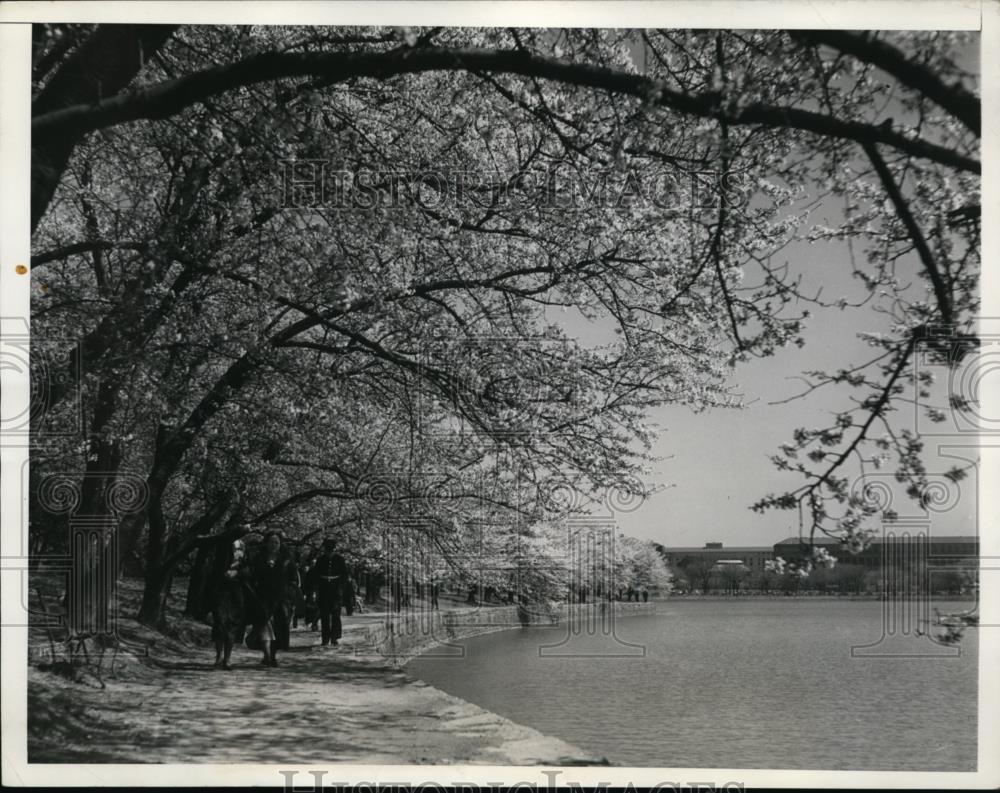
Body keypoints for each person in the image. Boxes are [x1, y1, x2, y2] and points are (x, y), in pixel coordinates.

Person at [249, 531, 294, 666]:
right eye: (271, 542)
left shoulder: (287, 559)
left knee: (278, 627)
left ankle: (272, 655)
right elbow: (253, 576)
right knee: (264, 625)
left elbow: (292, 578)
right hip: (263, 597)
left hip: (281, 598)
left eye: (276, 542)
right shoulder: (258, 558)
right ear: (266, 543)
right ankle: (267, 655)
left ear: (280, 544)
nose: (273, 545)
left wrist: (290, 595)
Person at [208, 537, 249, 670]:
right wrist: (224, 573)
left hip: (236, 593)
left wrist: (238, 572)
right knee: (220, 623)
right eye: (234, 547)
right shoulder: (221, 553)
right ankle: (218, 657)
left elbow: (250, 570)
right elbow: (212, 570)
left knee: (232, 625)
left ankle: (228, 659)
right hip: (221, 592)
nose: (236, 550)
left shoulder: (245, 556)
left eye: (239, 548)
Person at [308, 537, 353, 647]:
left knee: (336, 614)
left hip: (336, 588)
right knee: (324, 615)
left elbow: (344, 575)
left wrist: (342, 588)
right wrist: (315, 589)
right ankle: (325, 638)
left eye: (331, 550)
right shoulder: (320, 559)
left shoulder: (339, 559)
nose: (329, 552)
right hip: (324, 589)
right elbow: (316, 575)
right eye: (328, 550)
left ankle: (334, 637)